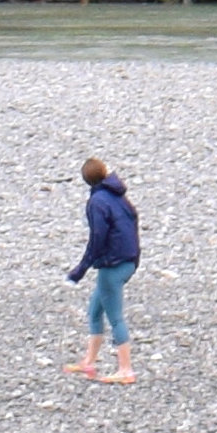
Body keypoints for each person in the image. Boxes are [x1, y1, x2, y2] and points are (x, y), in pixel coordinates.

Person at [66, 154, 141, 384]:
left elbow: (97, 238)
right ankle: (89, 362)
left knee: (115, 317)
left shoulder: (97, 202)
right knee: (95, 311)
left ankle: (126, 370)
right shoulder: (118, 195)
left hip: (113, 265)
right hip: (128, 260)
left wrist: (80, 269)